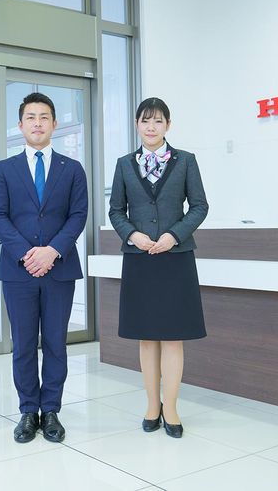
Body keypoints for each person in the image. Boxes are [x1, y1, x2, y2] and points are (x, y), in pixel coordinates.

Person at [0, 92, 88, 444]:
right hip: (18, 271)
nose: (37, 123)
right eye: (31, 117)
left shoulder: (72, 169)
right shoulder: (5, 170)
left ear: (54, 124)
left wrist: (53, 252)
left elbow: (78, 215)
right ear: (20, 125)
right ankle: (28, 411)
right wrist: (28, 254)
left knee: (57, 343)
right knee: (24, 344)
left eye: (44, 117)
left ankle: (52, 410)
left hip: (60, 270)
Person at [108, 97, 208, 438]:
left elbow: (199, 206)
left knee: (173, 337)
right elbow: (116, 210)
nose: (151, 127)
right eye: (145, 121)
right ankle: (153, 406)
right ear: (137, 124)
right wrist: (132, 235)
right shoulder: (124, 164)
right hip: (139, 259)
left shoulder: (185, 161)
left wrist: (174, 235)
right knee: (147, 337)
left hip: (175, 257)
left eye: (158, 121)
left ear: (168, 125)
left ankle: (173, 408)